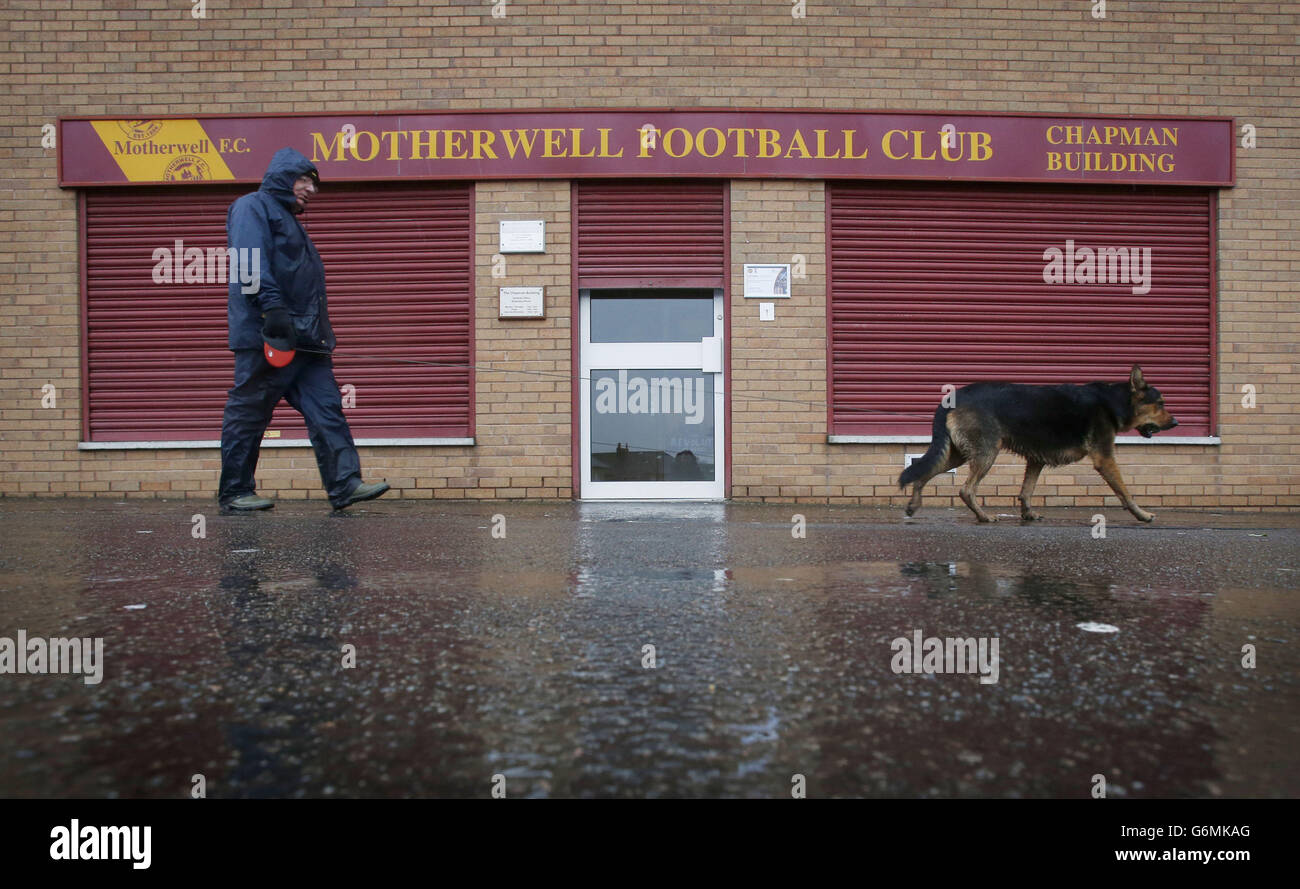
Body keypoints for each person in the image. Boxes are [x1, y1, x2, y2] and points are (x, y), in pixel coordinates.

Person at [218, 147, 389, 512]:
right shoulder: (252, 207)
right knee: (249, 414)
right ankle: (235, 492)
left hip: (307, 344)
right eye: (305, 179)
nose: (312, 189)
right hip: (269, 336)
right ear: (282, 176)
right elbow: (248, 261)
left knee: (328, 409)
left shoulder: (289, 221)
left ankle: (345, 484)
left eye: (314, 183)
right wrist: (273, 309)